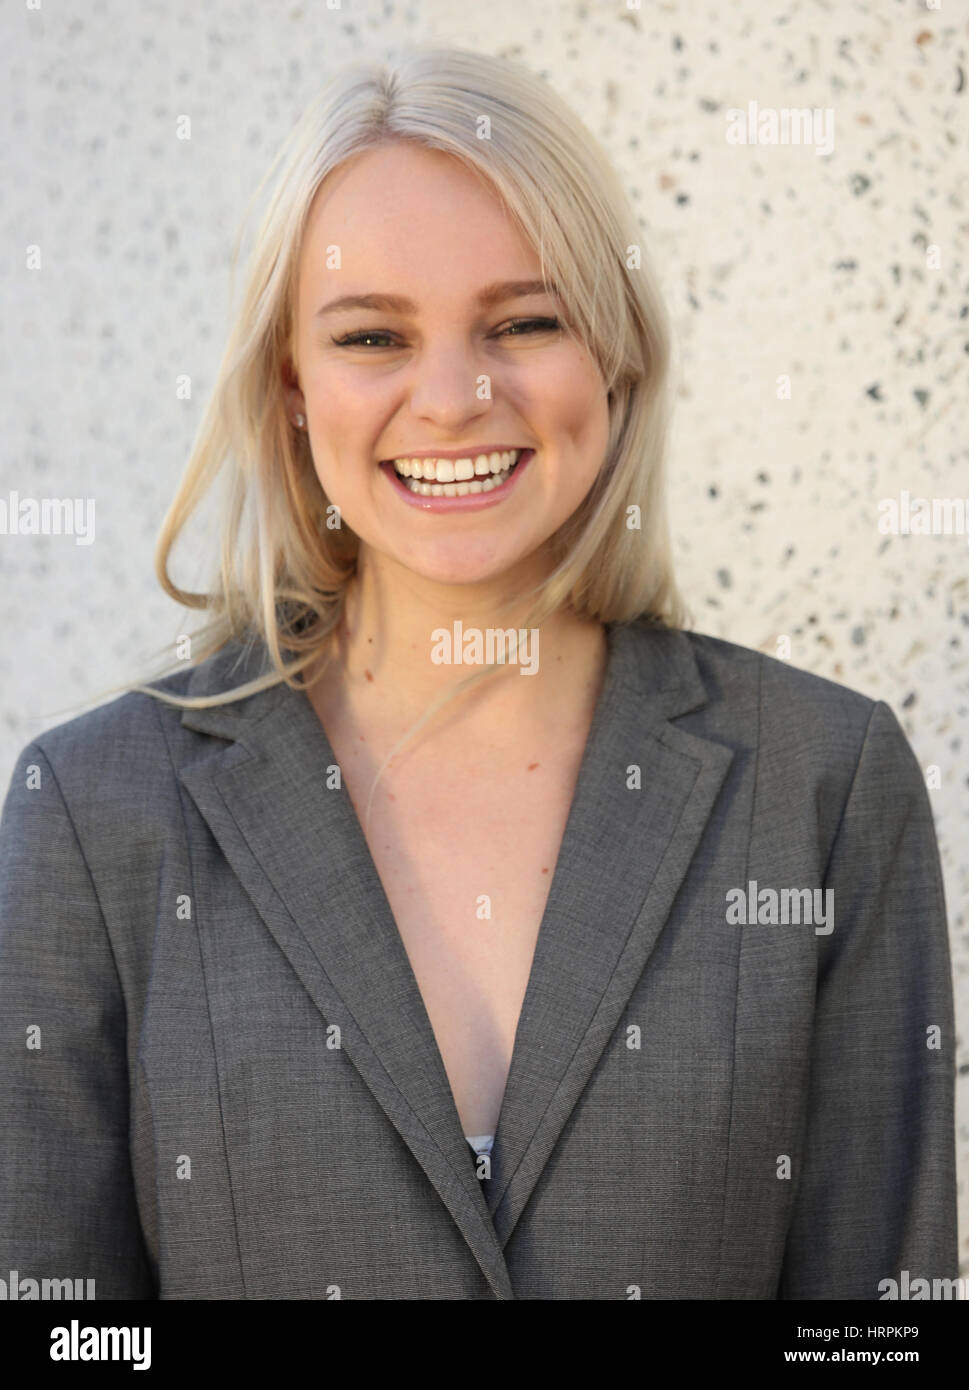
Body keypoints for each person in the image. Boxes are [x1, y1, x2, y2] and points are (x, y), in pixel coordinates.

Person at [0, 44, 957, 1301]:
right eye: (372, 335)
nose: (452, 397)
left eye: (523, 320)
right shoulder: (91, 814)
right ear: (290, 385)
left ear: (611, 354)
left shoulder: (825, 789)